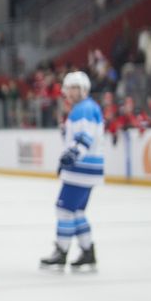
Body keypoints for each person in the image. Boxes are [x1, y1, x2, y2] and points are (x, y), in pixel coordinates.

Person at [40, 71, 104, 272]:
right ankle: (88, 251)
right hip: (87, 168)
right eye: (68, 88)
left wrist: (73, 155)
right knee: (76, 211)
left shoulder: (82, 109)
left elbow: (86, 136)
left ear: (83, 89)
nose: (69, 92)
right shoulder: (86, 107)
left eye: (73, 88)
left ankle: (61, 251)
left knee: (64, 210)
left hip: (81, 168)